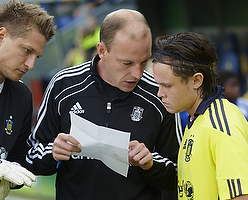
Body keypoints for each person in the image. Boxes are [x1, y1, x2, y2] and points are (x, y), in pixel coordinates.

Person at [26, 9, 181, 200]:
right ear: (102, 51)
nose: (137, 73)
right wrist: (52, 151)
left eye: (143, 62)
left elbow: (178, 174)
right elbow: (30, 156)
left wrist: (150, 163)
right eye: (127, 63)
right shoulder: (63, 85)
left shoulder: (159, 95)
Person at [152, 32, 248, 200]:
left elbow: (246, 197)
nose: (160, 93)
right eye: (159, 85)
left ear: (196, 80)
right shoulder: (196, 119)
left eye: (167, 85)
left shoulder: (221, 127)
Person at [0, 1, 56, 199]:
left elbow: (16, 162)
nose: (31, 64)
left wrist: (5, 182)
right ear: (1, 36)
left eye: (37, 56)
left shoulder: (22, 97)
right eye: (27, 50)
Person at [217, 70, 248, 147]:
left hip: (247, 149)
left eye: (238, 85)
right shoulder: (214, 107)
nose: (237, 88)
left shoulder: (246, 105)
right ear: (221, 87)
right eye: (233, 86)